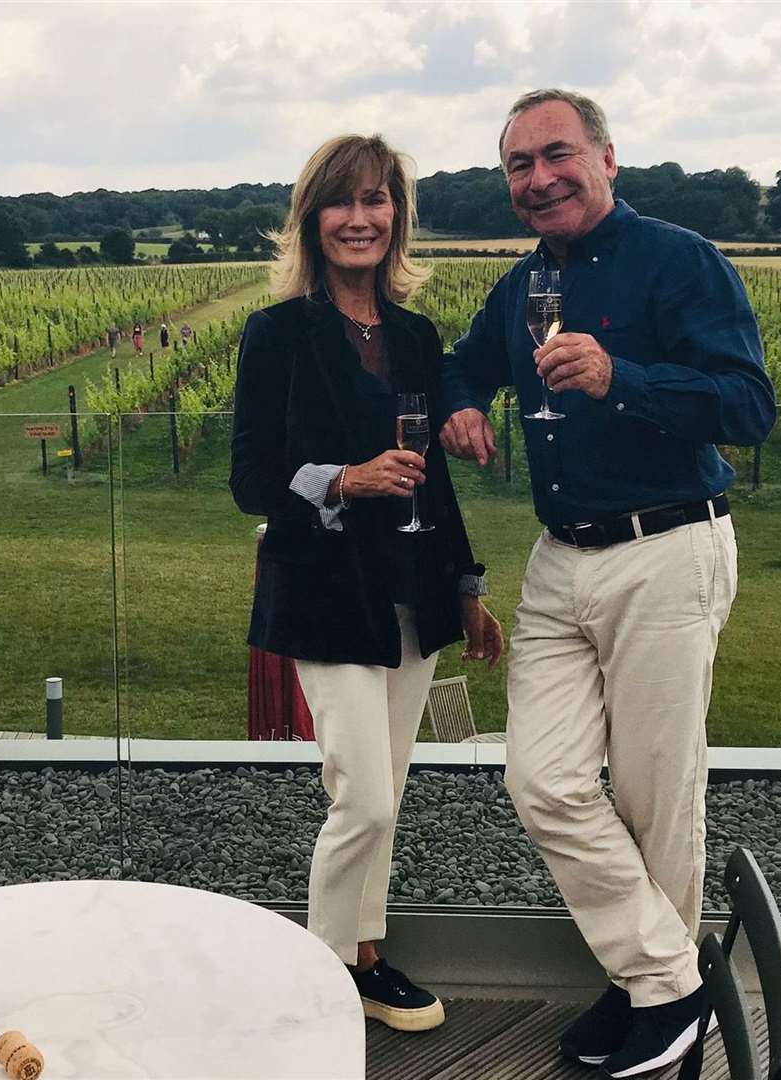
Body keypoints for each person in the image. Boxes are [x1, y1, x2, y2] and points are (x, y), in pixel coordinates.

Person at [439, 89, 775, 1077]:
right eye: (518, 167)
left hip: (668, 548)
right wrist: (461, 409)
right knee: (540, 780)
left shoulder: (679, 260)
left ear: (607, 158)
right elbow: (464, 367)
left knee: (653, 796)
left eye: (555, 156)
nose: (537, 180)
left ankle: (648, 996)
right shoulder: (522, 285)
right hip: (560, 561)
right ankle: (675, 984)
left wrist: (621, 375)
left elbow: (747, 406)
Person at [231, 133, 504, 1034]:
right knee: (366, 796)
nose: (361, 217)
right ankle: (319, 976)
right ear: (313, 217)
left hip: (412, 593)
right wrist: (343, 480)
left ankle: (365, 958)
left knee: (387, 790)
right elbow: (249, 480)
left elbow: (437, 478)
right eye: (343, 201)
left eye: (378, 199)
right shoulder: (276, 334)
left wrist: (466, 587)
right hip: (324, 594)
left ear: (398, 217)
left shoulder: (417, 336)